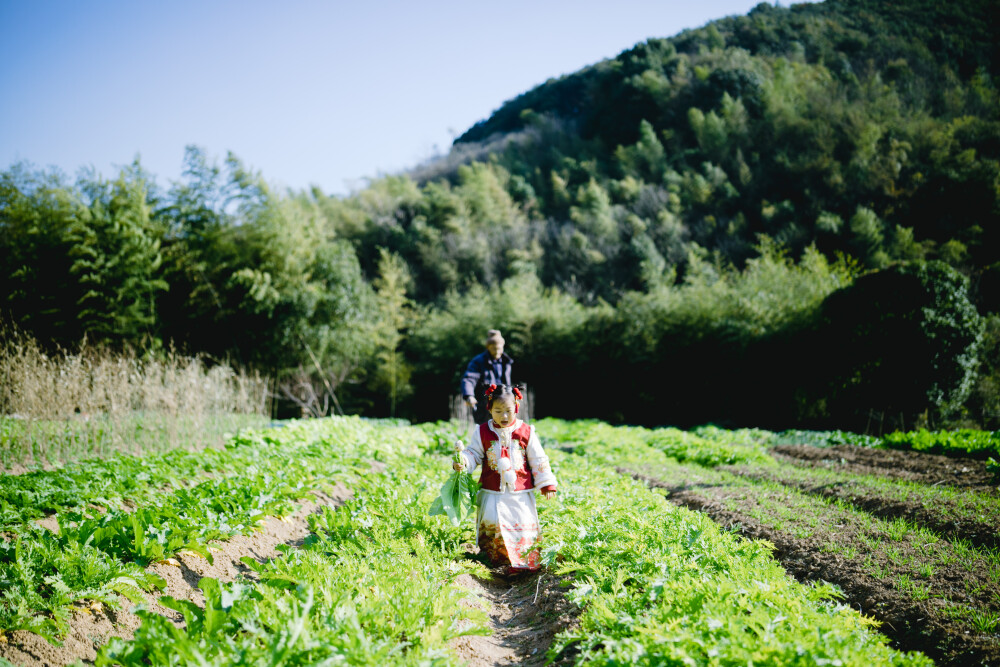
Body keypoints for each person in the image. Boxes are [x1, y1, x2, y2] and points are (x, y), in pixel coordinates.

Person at [453, 384, 557, 572]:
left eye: (509, 411)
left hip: (520, 493)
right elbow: (473, 453)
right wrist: (464, 462)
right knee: (494, 522)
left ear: (516, 408)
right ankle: (497, 564)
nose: (504, 416)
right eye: (498, 411)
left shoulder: (526, 432)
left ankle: (525, 562)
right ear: (490, 409)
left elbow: (538, 458)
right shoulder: (482, 432)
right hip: (492, 492)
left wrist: (547, 483)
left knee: (522, 524)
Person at [460, 329, 513, 424]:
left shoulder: (507, 362)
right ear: (488, 347)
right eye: (494, 348)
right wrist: (469, 395)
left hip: (504, 403)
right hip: (485, 405)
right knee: (485, 433)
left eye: (499, 348)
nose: (497, 351)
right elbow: (469, 379)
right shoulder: (479, 361)